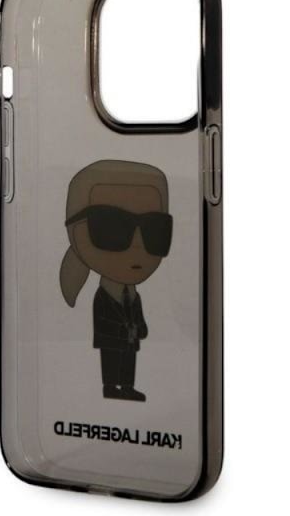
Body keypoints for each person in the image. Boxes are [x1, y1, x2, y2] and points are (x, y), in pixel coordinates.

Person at [59, 160, 172, 401]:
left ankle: (127, 387)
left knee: (129, 362)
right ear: (75, 233)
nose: (137, 244)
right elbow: (102, 320)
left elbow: (138, 315)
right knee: (111, 361)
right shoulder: (104, 296)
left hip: (130, 339)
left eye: (154, 230)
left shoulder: (133, 296)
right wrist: (123, 329)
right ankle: (110, 387)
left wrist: (139, 328)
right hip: (112, 340)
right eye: (110, 228)